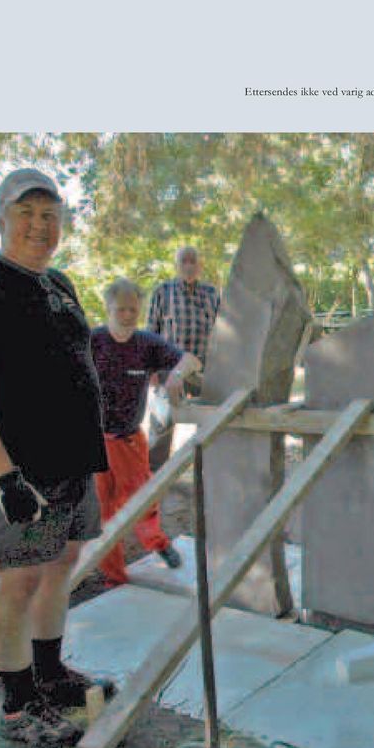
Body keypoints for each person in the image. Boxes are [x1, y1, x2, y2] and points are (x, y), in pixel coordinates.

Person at [0, 168, 113, 748]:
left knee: (61, 566)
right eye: (26, 213)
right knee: (18, 580)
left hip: (70, 464)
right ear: (0, 217)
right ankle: (17, 707)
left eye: (50, 215)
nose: (40, 226)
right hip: (18, 473)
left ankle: (49, 674)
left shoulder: (58, 283)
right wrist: (5, 479)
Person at [91, 279, 202, 587]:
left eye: (133, 309)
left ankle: (158, 544)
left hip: (130, 439)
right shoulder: (92, 341)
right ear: (108, 307)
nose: (127, 314)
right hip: (95, 441)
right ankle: (113, 576)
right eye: (121, 309)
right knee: (103, 510)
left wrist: (176, 374)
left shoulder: (147, 343)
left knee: (144, 498)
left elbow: (191, 359)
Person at [146, 245, 220, 470]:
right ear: (177, 265)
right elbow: (151, 332)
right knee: (161, 427)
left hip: (203, 370)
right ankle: (154, 484)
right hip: (169, 370)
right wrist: (151, 369)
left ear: (200, 266)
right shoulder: (162, 291)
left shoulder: (211, 293)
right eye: (184, 261)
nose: (189, 265)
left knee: (208, 426)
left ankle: (205, 478)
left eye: (193, 261)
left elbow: (221, 332)